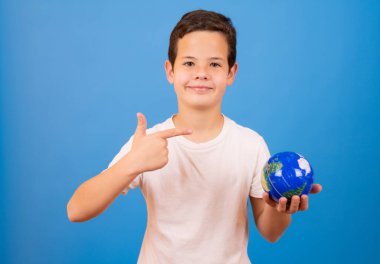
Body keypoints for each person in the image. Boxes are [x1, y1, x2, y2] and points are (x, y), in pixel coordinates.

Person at [67, 9, 322, 263]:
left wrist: (281, 207)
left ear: (231, 73)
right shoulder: (150, 142)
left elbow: (271, 233)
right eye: (189, 63)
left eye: (214, 64)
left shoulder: (250, 144)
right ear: (170, 71)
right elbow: (76, 209)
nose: (201, 73)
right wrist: (133, 162)